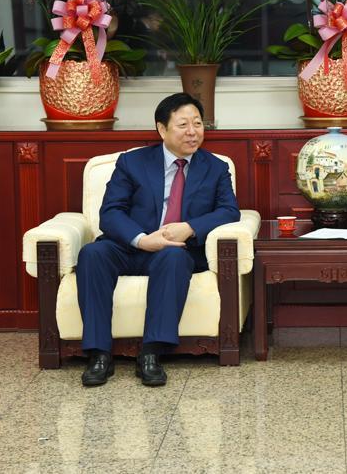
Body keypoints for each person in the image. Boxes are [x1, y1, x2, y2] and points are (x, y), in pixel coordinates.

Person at [77, 93, 240, 387]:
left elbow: (229, 211)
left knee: (174, 257)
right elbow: (111, 212)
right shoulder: (132, 162)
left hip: (176, 250)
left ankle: (151, 353)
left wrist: (189, 227)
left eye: (197, 124)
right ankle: (99, 354)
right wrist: (141, 239)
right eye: (183, 125)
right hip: (131, 246)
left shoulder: (215, 168)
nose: (192, 132)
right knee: (92, 254)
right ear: (162, 129)